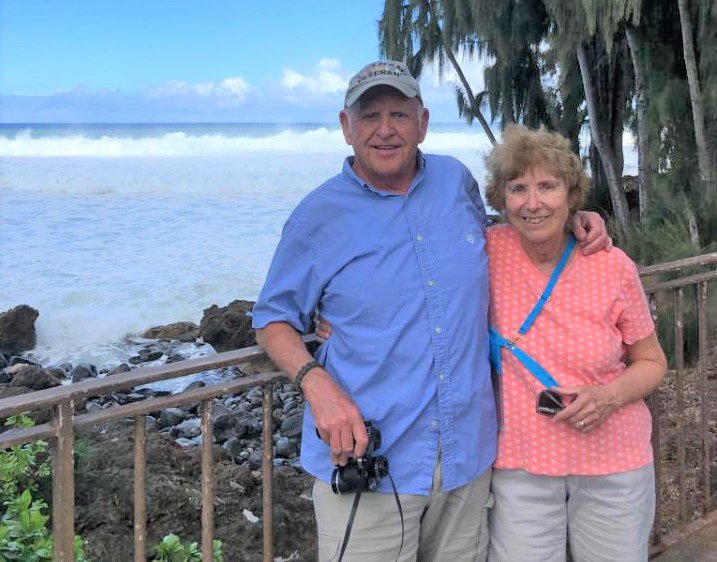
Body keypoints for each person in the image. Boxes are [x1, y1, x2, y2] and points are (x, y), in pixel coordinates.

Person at [251, 60, 608, 562]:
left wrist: (571, 218)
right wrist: (317, 385)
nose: (385, 129)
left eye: (399, 113)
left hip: (468, 455)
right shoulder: (318, 216)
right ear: (346, 126)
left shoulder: (455, 181)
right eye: (370, 115)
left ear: (422, 121)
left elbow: (507, 234)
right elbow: (271, 318)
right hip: (371, 461)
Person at [484, 125, 667, 561]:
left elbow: (651, 361)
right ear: (501, 198)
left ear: (571, 195)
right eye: (518, 188)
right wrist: (338, 320)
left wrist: (607, 396)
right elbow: (416, 273)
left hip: (613, 465)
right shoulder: (485, 252)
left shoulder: (611, 265)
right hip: (521, 466)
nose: (532, 203)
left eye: (547, 186)